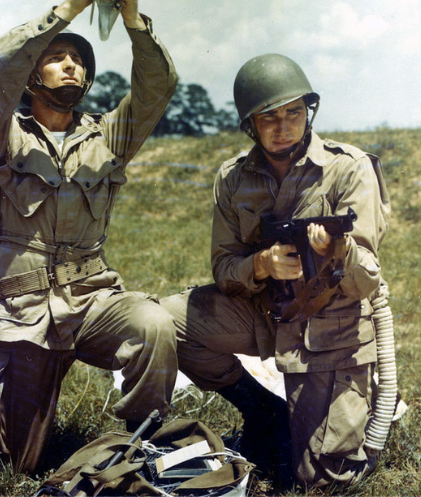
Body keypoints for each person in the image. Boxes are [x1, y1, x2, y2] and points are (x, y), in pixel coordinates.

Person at [0, 0, 179, 473]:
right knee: (12, 468)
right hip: (24, 312)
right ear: (31, 78)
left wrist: (130, 17)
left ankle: (141, 449)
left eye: (78, 59)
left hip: (91, 299)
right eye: (57, 57)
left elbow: (157, 86)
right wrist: (73, 5)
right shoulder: (0, 136)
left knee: (154, 325)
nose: (71, 64)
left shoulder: (109, 136)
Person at [161, 53, 392, 489]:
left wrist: (338, 250)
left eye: (294, 113)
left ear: (310, 112)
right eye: (270, 117)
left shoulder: (349, 168)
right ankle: (261, 409)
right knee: (164, 321)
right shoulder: (232, 178)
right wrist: (261, 265)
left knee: (321, 478)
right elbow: (224, 267)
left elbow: (366, 281)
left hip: (330, 331)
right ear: (250, 124)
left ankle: (364, 397)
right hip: (265, 314)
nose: (284, 126)